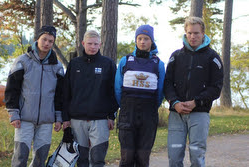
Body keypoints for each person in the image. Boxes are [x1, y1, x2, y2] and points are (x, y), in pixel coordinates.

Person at [164, 16, 224, 167]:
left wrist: (196, 102)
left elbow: (216, 88)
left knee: (197, 156)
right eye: (189, 33)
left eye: (196, 33)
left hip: (200, 113)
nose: (193, 36)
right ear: (185, 33)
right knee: (174, 156)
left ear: (203, 33)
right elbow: (167, 83)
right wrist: (175, 102)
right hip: (176, 114)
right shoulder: (176, 56)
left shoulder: (213, 58)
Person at [4, 25, 64, 167]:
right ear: (37, 39)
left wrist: (59, 117)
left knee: (40, 159)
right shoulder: (22, 61)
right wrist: (14, 114)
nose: (47, 43)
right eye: (44, 39)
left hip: (46, 120)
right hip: (24, 118)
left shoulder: (57, 66)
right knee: (20, 157)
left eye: (50, 41)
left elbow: (60, 95)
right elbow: (12, 89)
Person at [62, 30, 118, 167]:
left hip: (100, 120)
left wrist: (112, 115)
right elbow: (66, 92)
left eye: (95, 44)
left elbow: (114, 92)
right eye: (89, 44)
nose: (92, 47)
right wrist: (65, 118)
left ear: (100, 44)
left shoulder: (108, 64)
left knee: (98, 159)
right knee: (81, 160)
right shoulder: (74, 64)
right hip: (77, 120)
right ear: (83, 43)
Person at [115, 24, 165, 167]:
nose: (143, 42)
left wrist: (151, 106)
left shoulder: (158, 64)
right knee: (127, 157)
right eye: (140, 38)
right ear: (136, 40)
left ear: (152, 41)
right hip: (127, 113)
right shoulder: (125, 61)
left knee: (143, 158)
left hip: (148, 114)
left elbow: (160, 91)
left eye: (146, 39)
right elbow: (118, 88)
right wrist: (124, 106)